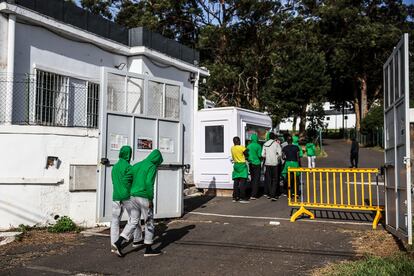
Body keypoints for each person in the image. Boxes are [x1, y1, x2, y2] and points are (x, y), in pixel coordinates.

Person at [113, 149, 164, 257]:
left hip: (132, 196)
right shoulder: (152, 166)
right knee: (149, 221)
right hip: (144, 197)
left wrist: (128, 190)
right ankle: (148, 249)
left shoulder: (137, 165)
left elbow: (127, 178)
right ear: (157, 159)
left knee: (133, 221)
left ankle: (118, 242)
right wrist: (150, 199)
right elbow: (149, 183)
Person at [110, 145, 140, 251]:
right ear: (129, 155)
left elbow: (114, 181)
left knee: (115, 221)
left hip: (116, 196)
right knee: (134, 218)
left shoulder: (114, 167)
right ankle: (134, 239)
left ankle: (113, 244)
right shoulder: (128, 167)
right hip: (127, 197)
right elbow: (133, 182)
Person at [262, 132, 282, 201]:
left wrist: (267, 156)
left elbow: (262, 155)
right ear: (274, 137)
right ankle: (273, 194)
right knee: (275, 179)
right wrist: (276, 158)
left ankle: (269, 194)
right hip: (274, 164)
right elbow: (280, 154)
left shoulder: (265, 144)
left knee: (269, 179)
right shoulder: (276, 144)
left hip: (267, 163)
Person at [231, 136, 249, 203]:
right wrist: (247, 150)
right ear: (238, 141)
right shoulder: (241, 147)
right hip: (242, 165)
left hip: (236, 165)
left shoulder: (232, 148)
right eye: (239, 140)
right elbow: (246, 153)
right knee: (242, 182)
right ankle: (242, 197)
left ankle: (235, 197)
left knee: (236, 182)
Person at [247, 133, 262, 200]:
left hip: (251, 163)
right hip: (257, 163)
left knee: (252, 179)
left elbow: (247, 154)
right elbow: (259, 155)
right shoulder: (258, 146)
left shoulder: (248, 146)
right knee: (256, 179)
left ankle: (251, 193)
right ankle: (254, 194)